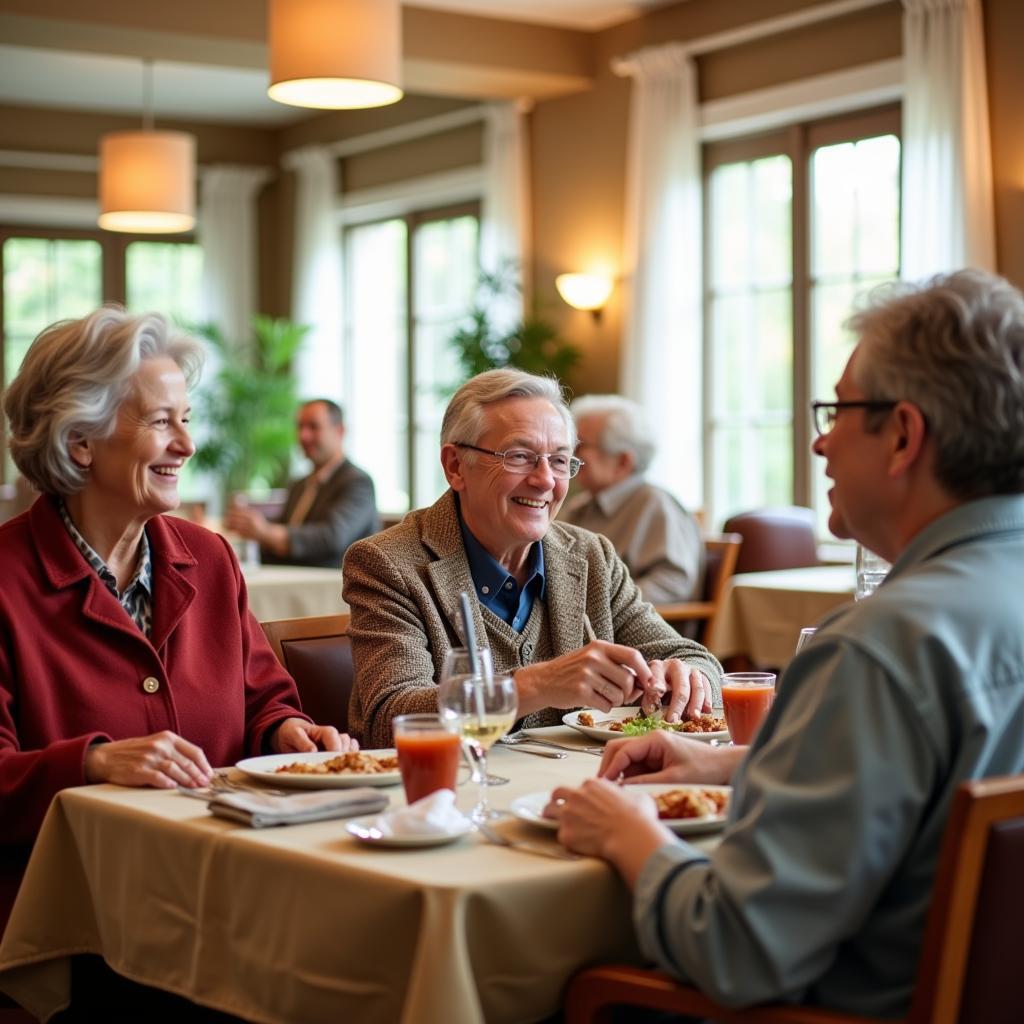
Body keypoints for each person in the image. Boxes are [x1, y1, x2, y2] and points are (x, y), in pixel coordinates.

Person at [548, 269, 1024, 1018]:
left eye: (838, 410)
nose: (819, 438)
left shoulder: (879, 649)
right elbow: (935, 786)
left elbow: (739, 947)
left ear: (903, 435)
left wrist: (630, 835)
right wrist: (721, 761)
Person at [0, 308, 358, 936]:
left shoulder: (210, 558)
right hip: (77, 918)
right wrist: (93, 763)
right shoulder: (6, 579)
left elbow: (264, 700)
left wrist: (288, 733)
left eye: (185, 420)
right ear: (79, 440)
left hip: (231, 893)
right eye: (161, 422)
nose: (187, 446)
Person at [342, 367, 723, 749]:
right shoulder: (388, 563)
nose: (545, 481)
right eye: (520, 456)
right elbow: (392, 719)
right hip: (452, 797)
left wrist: (688, 677)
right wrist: (537, 685)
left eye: (559, 461)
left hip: (578, 792)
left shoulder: (592, 556)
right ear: (456, 466)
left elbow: (693, 658)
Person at [560, 394, 703, 605]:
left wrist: (600, 608)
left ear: (623, 462)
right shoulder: (579, 505)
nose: (570, 455)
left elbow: (673, 583)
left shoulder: (656, 504)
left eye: (581, 446)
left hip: (628, 634)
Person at [224, 398, 379, 569]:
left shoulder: (357, 482)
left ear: (340, 431)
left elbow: (332, 537)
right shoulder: (299, 485)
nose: (303, 436)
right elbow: (284, 529)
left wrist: (265, 531)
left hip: (336, 588)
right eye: (300, 427)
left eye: (313, 427)